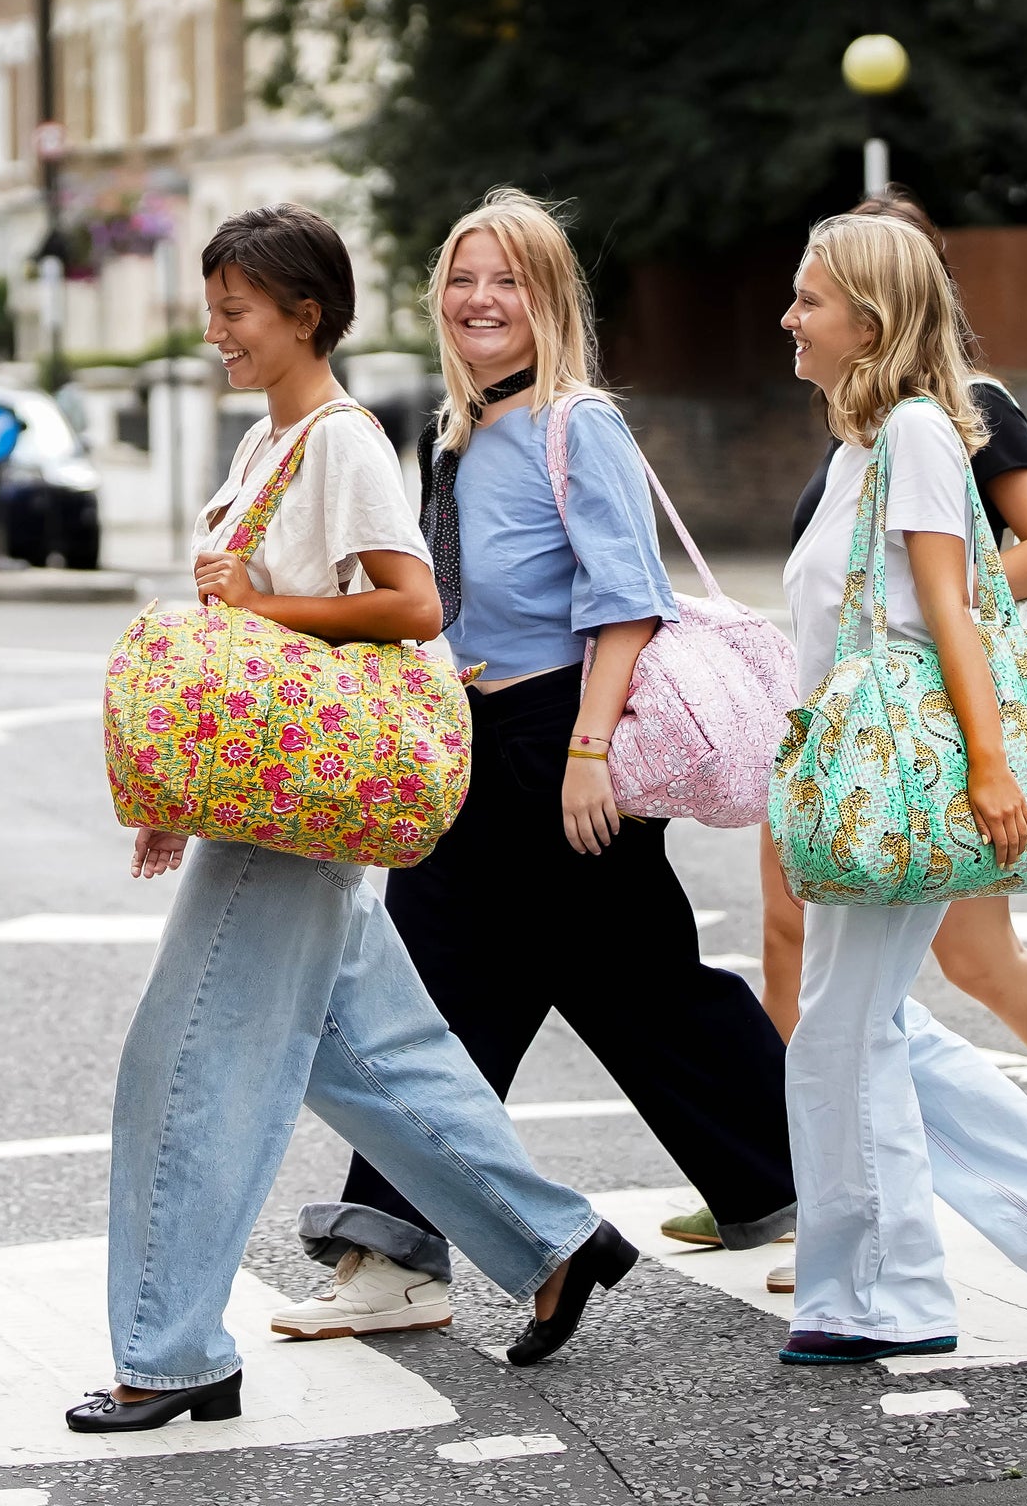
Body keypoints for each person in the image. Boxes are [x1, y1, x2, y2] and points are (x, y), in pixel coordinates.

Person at [74, 202, 633, 1435]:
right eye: (214, 305)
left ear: (303, 314)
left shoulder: (342, 442)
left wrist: (267, 608)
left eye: (236, 308)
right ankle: (553, 1238)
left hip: (304, 813)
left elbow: (413, 604)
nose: (215, 328)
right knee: (372, 1054)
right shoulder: (263, 445)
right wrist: (179, 794)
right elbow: (237, 644)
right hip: (268, 793)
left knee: (185, 1067)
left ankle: (168, 1352)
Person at [274, 191, 794, 1343]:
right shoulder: (452, 436)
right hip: (471, 746)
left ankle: (814, 1196)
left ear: (549, 297)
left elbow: (627, 602)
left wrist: (590, 752)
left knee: (650, 990)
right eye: (463, 278)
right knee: (436, 997)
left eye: (506, 278)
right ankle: (392, 1249)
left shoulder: (578, 422)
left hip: (564, 735)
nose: (480, 299)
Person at [774, 212, 1027, 1364]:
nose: (789, 316)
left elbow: (953, 610)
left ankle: (887, 1293)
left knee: (842, 1028)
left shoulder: (927, 433)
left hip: (913, 767)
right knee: (852, 1024)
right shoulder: (856, 448)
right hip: (858, 771)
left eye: (811, 298)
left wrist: (991, 767)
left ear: (873, 320)